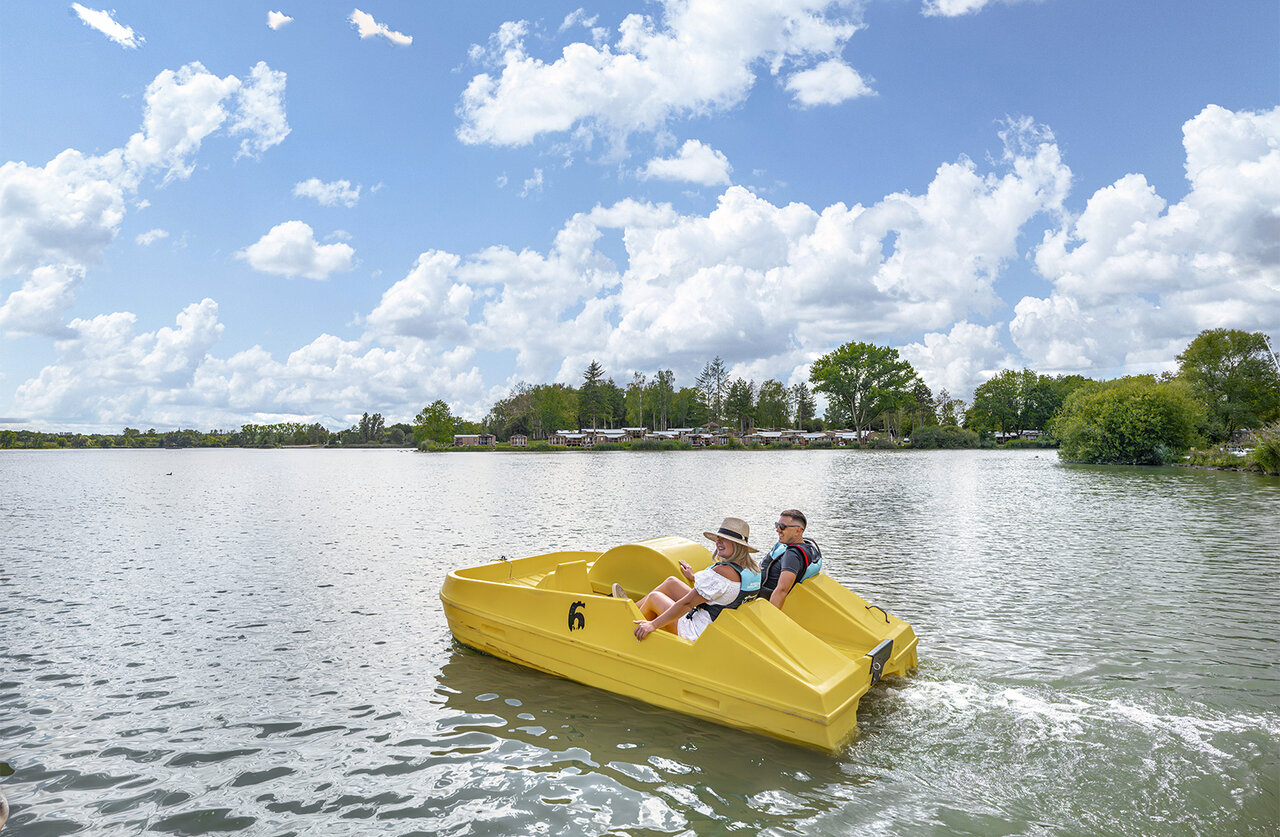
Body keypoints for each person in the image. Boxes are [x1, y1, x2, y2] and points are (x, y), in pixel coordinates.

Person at [618, 517, 761, 642]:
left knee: (655, 598)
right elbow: (724, 591)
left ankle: (626, 625)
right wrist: (694, 577)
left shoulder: (722, 572)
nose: (718, 541)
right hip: (715, 622)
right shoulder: (753, 570)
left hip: (696, 632)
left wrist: (653, 625)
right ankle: (628, 607)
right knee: (672, 583)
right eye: (718, 537)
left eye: (725, 539)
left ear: (737, 545)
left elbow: (687, 603)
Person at [758, 508, 822, 610]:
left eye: (782, 527)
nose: (778, 530)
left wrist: (770, 616)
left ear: (798, 531)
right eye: (777, 525)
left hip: (762, 603)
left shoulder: (792, 555)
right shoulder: (808, 547)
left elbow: (782, 590)